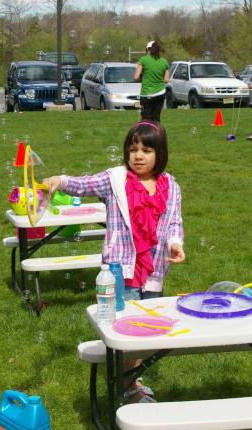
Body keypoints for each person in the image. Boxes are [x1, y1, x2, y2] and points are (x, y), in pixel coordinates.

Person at [44, 121, 185, 403]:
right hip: (120, 271)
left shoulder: (171, 186)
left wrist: (175, 244)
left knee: (146, 329)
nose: (138, 155)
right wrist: (59, 180)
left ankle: (130, 380)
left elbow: (174, 223)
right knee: (126, 327)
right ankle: (130, 387)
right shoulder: (115, 180)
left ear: (161, 153)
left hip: (154, 269)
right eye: (132, 149)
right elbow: (84, 183)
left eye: (146, 150)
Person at [133, 41, 170, 123]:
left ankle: (147, 134)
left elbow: (136, 77)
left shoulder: (143, 59)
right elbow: (166, 80)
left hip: (146, 94)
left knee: (146, 119)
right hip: (160, 93)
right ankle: (157, 134)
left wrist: (144, 75)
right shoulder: (164, 61)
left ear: (148, 50)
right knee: (156, 118)